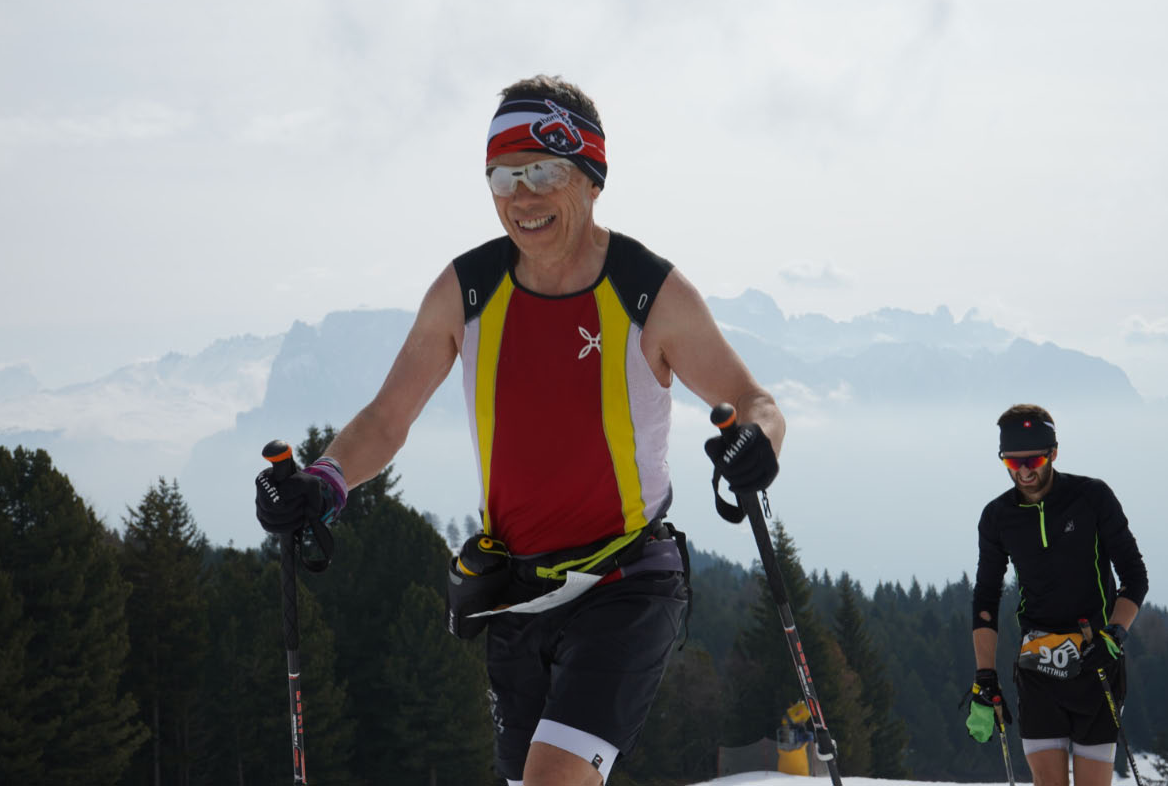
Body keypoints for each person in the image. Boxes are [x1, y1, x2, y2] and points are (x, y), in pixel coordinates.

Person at [258, 75, 784, 785]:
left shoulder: (648, 291)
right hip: (513, 593)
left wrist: (757, 442)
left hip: (625, 581)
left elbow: (754, 401)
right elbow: (386, 417)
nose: (521, 197)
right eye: (503, 177)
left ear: (591, 178)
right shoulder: (468, 290)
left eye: (542, 172)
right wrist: (323, 481)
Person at [965, 404, 1148, 786]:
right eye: (1012, 463)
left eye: (1032, 460)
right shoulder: (997, 516)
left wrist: (1114, 635)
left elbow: (1134, 576)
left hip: (1095, 662)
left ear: (1053, 453)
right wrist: (985, 676)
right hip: (1038, 666)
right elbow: (985, 599)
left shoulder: (1092, 497)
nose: (1024, 472)